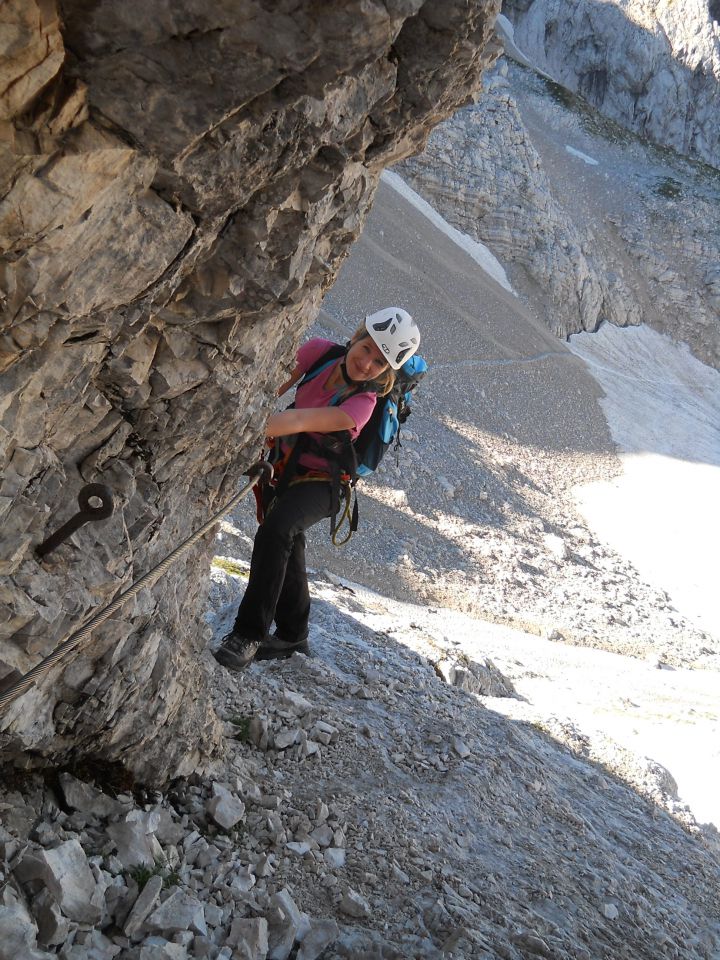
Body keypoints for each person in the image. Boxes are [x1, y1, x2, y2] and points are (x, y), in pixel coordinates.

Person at [214, 307, 421, 671]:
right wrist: (242, 413)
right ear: (356, 336)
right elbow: (269, 390)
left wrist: (239, 430)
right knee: (288, 539)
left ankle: (248, 634)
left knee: (277, 530)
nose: (367, 363)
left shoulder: (361, 406)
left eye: (380, 362)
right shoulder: (319, 352)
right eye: (368, 348)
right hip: (287, 466)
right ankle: (293, 633)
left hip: (325, 484)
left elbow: (296, 419)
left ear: (388, 372)